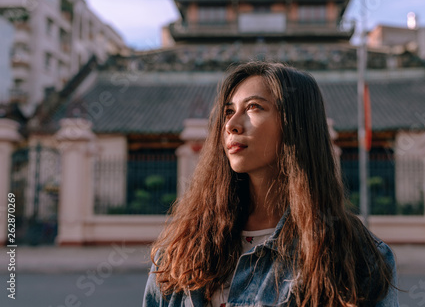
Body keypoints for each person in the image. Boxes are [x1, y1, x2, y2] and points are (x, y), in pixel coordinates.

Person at [142, 61, 399, 307]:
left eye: (253, 107)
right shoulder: (182, 248)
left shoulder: (356, 256)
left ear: (295, 124)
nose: (231, 125)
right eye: (229, 111)